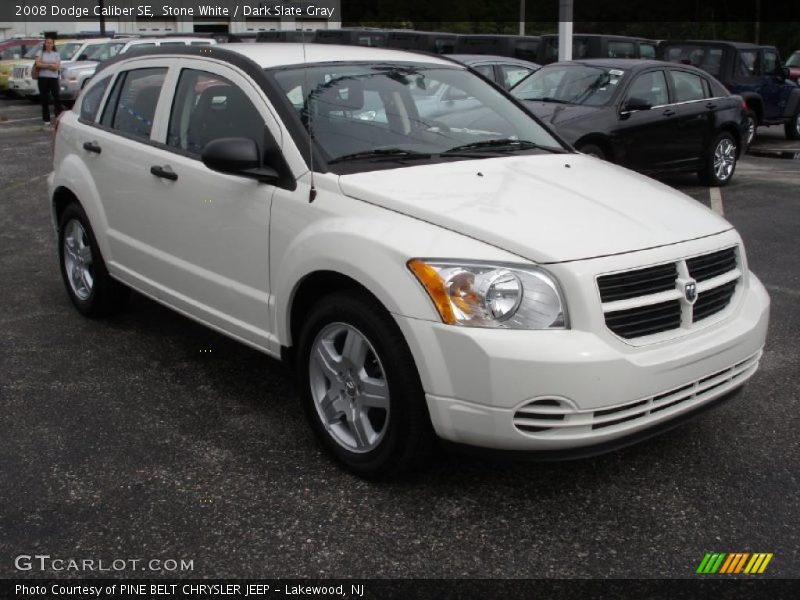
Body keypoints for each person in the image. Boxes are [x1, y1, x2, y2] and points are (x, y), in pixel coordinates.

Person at [34, 37, 62, 126]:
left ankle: (58, 116)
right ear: (44, 44)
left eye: (51, 43)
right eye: (47, 43)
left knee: (56, 97)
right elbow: (38, 64)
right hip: (42, 78)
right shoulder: (40, 53)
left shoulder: (56, 54)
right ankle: (46, 119)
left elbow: (57, 67)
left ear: (53, 44)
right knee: (44, 98)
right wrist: (50, 65)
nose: (49, 44)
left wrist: (44, 65)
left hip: (53, 78)